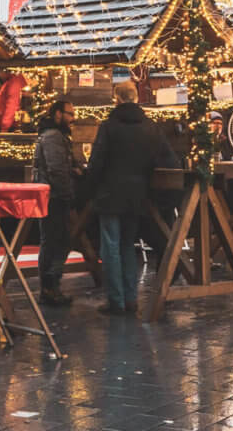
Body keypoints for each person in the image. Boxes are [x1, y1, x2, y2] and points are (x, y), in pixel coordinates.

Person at [86, 83, 173, 315]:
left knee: (110, 247)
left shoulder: (108, 127)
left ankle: (116, 300)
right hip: (138, 195)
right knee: (127, 246)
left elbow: (96, 163)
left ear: (117, 99)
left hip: (110, 193)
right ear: (136, 98)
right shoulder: (151, 127)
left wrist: (90, 186)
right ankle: (131, 298)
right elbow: (165, 159)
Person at [33, 100, 78, 307]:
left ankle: (50, 287)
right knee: (55, 241)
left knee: (54, 240)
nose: (72, 118)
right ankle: (50, 287)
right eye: (69, 114)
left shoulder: (55, 135)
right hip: (54, 197)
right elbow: (56, 169)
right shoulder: (53, 137)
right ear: (58, 114)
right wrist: (68, 193)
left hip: (51, 195)